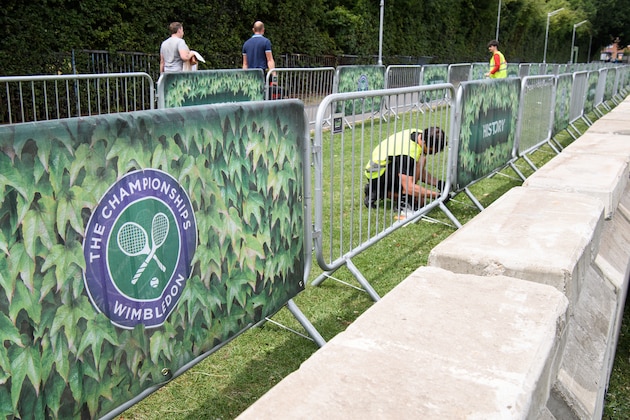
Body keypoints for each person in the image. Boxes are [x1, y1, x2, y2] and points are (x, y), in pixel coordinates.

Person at [363, 127, 447, 216]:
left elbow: (416, 170)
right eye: (432, 150)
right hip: (378, 175)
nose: (434, 153)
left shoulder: (421, 134)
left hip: (382, 168)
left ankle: (378, 191)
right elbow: (409, 187)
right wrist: (437, 195)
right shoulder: (407, 153)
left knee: (419, 197)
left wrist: (438, 183)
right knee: (419, 201)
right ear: (424, 142)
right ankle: (402, 203)